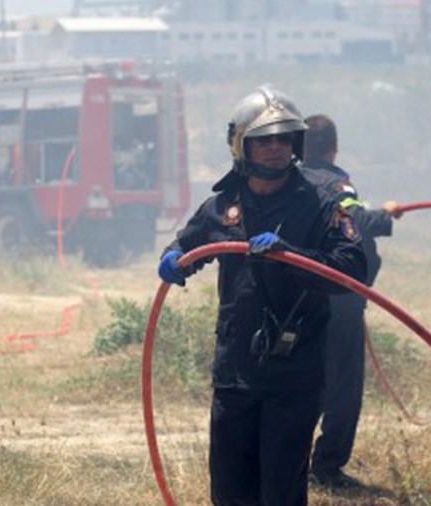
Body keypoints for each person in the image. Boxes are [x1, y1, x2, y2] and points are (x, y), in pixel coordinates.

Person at [157, 87, 368, 506]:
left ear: (296, 144)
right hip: (235, 374)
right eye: (264, 139)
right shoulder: (221, 207)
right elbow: (187, 245)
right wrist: (173, 258)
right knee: (231, 492)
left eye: (284, 138)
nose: (275, 148)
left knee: (281, 493)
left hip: (294, 375)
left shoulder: (322, 203)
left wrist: (293, 256)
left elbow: (351, 270)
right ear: (241, 145)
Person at [303, 114, 400, 490]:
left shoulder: (290, 182)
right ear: (333, 148)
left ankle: (289, 459)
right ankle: (326, 468)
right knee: (342, 384)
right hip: (338, 300)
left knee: (303, 381)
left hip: (298, 300)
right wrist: (386, 214)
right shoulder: (336, 183)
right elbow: (355, 220)